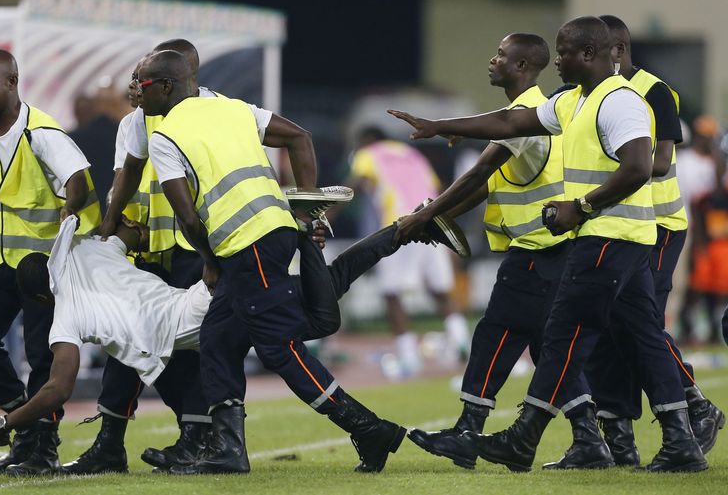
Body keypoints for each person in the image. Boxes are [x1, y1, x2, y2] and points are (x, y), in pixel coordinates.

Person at [390, 16, 707, 473]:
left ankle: (526, 438)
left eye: (564, 52)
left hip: (608, 236)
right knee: (643, 339)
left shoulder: (621, 102)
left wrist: (582, 206)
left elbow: (641, 167)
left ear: (592, 55)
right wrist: (439, 124)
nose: (556, 60)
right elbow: (510, 119)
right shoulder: (573, 101)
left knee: (563, 335)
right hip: (618, 238)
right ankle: (680, 440)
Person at [0, 199, 463, 467]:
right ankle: (401, 228)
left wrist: (6, 423)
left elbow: (58, 387)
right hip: (198, 295)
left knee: (311, 325)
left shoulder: (64, 314)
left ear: (39, 299)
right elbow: (133, 233)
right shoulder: (88, 252)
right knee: (321, 298)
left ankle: (306, 229)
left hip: (204, 310)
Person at [138, 49, 412, 475]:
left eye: (143, 83)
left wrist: (208, 261)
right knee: (218, 338)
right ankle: (227, 447)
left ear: (167, 86)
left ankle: (369, 428)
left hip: (245, 246)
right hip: (275, 232)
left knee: (279, 347)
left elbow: (187, 215)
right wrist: (307, 211)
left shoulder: (165, 135)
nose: (137, 91)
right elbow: (299, 137)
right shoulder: (232, 108)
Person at [65, 38, 316, 475]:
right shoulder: (138, 120)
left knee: (201, 347)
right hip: (154, 249)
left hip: (198, 249)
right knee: (126, 341)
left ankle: (199, 437)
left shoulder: (222, 110)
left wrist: (306, 215)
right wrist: (110, 231)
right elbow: (129, 175)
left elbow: (293, 140)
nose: (135, 90)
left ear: (180, 78)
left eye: (143, 82)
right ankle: (114, 441)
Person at [399, 33, 607, 470]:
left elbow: (478, 174)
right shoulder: (530, 114)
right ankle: (590, 438)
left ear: (522, 66)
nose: (491, 60)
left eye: (501, 55)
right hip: (552, 250)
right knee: (543, 347)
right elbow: (487, 185)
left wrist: (426, 216)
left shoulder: (525, 115)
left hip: (537, 250)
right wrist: (437, 217)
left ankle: (467, 431)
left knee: (494, 333)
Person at [0, 48, 102, 477]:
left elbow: (77, 178)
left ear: (12, 83)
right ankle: (27, 428)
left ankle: (42, 448)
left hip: (40, 265)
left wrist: (70, 209)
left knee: (40, 357)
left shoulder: (43, 132)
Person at [581, 15, 724, 466]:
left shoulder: (655, 91)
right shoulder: (594, 94)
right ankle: (619, 439)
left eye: (587, 50)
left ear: (616, 50)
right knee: (608, 325)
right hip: (619, 224)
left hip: (659, 225)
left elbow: (658, 161)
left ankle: (696, 406)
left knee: (638, 322)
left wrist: (615, 168)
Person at [347, 127, 468, 375]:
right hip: (432, 224)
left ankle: (409, 357)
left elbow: (358, 183)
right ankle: (461, 341)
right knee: (441, 291)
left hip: (400, 225)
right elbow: (438, 186)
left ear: (366, 141)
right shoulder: (413, 155)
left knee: (392, 294)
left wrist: (331, 209)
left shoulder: (368, 153)